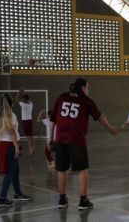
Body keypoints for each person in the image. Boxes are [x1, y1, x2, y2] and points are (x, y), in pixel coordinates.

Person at [48, 78, 118, 210]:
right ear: (83, 87)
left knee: (61, 169)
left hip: (60, 139)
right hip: (77, 140)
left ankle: (62, 200)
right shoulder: (86, 100)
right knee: (82, 169)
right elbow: (100, 116)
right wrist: (110, 129)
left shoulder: (62, 97)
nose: (88, 90)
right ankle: (83, 201)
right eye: (87, 87)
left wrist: (49, 138)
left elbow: (52, 119)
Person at [0, 94, 31, 207]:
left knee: (15, 170)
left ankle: (18, 193)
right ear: (12, 103)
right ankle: (2, 198)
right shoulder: (11, 115)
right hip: (9, 146)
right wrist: (16, 147)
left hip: (1, 144)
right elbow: (12, 133)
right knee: (10, 172)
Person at [16, 87, 35, 156]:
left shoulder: (22, 104)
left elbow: (17, 99)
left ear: (24, 99)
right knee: (31, 135)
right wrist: (24, 93)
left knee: (28, 137)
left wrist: (19, 92)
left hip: (25, 122)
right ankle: (33, 147)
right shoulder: (31, 104)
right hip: (30, 121)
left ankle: (31, 150)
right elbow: (27, 99)